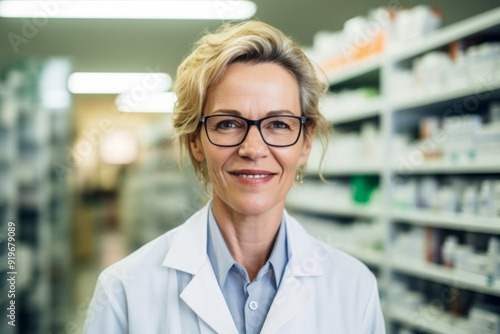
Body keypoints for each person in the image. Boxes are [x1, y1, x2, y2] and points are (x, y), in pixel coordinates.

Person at [82, 20, 385, 334]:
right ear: (195, 142)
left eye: (279, 124)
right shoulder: (124, 291)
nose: (253, 149)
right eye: (227, 124)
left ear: (306, 143)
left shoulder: (354, 289)